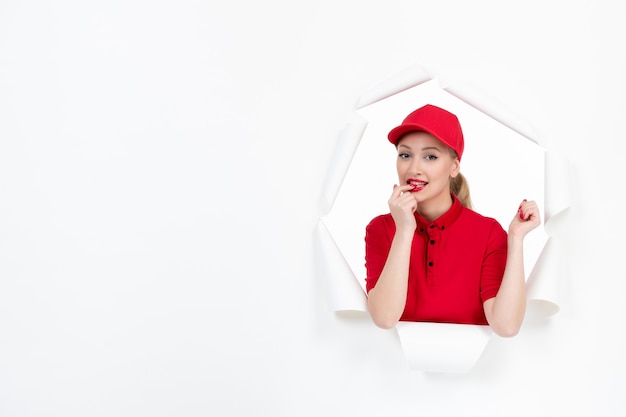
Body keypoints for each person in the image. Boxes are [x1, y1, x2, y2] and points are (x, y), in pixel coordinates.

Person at [364, 104, 540, 337]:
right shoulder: (381, 229)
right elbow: (385, 318)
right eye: (405, 155)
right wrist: (405, 230)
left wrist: (516, 239)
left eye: (430, 156)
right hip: (393, 370)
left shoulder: (488, 233)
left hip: (477, 371)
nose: (414, 168)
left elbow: (506, 326)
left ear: (454, 167)